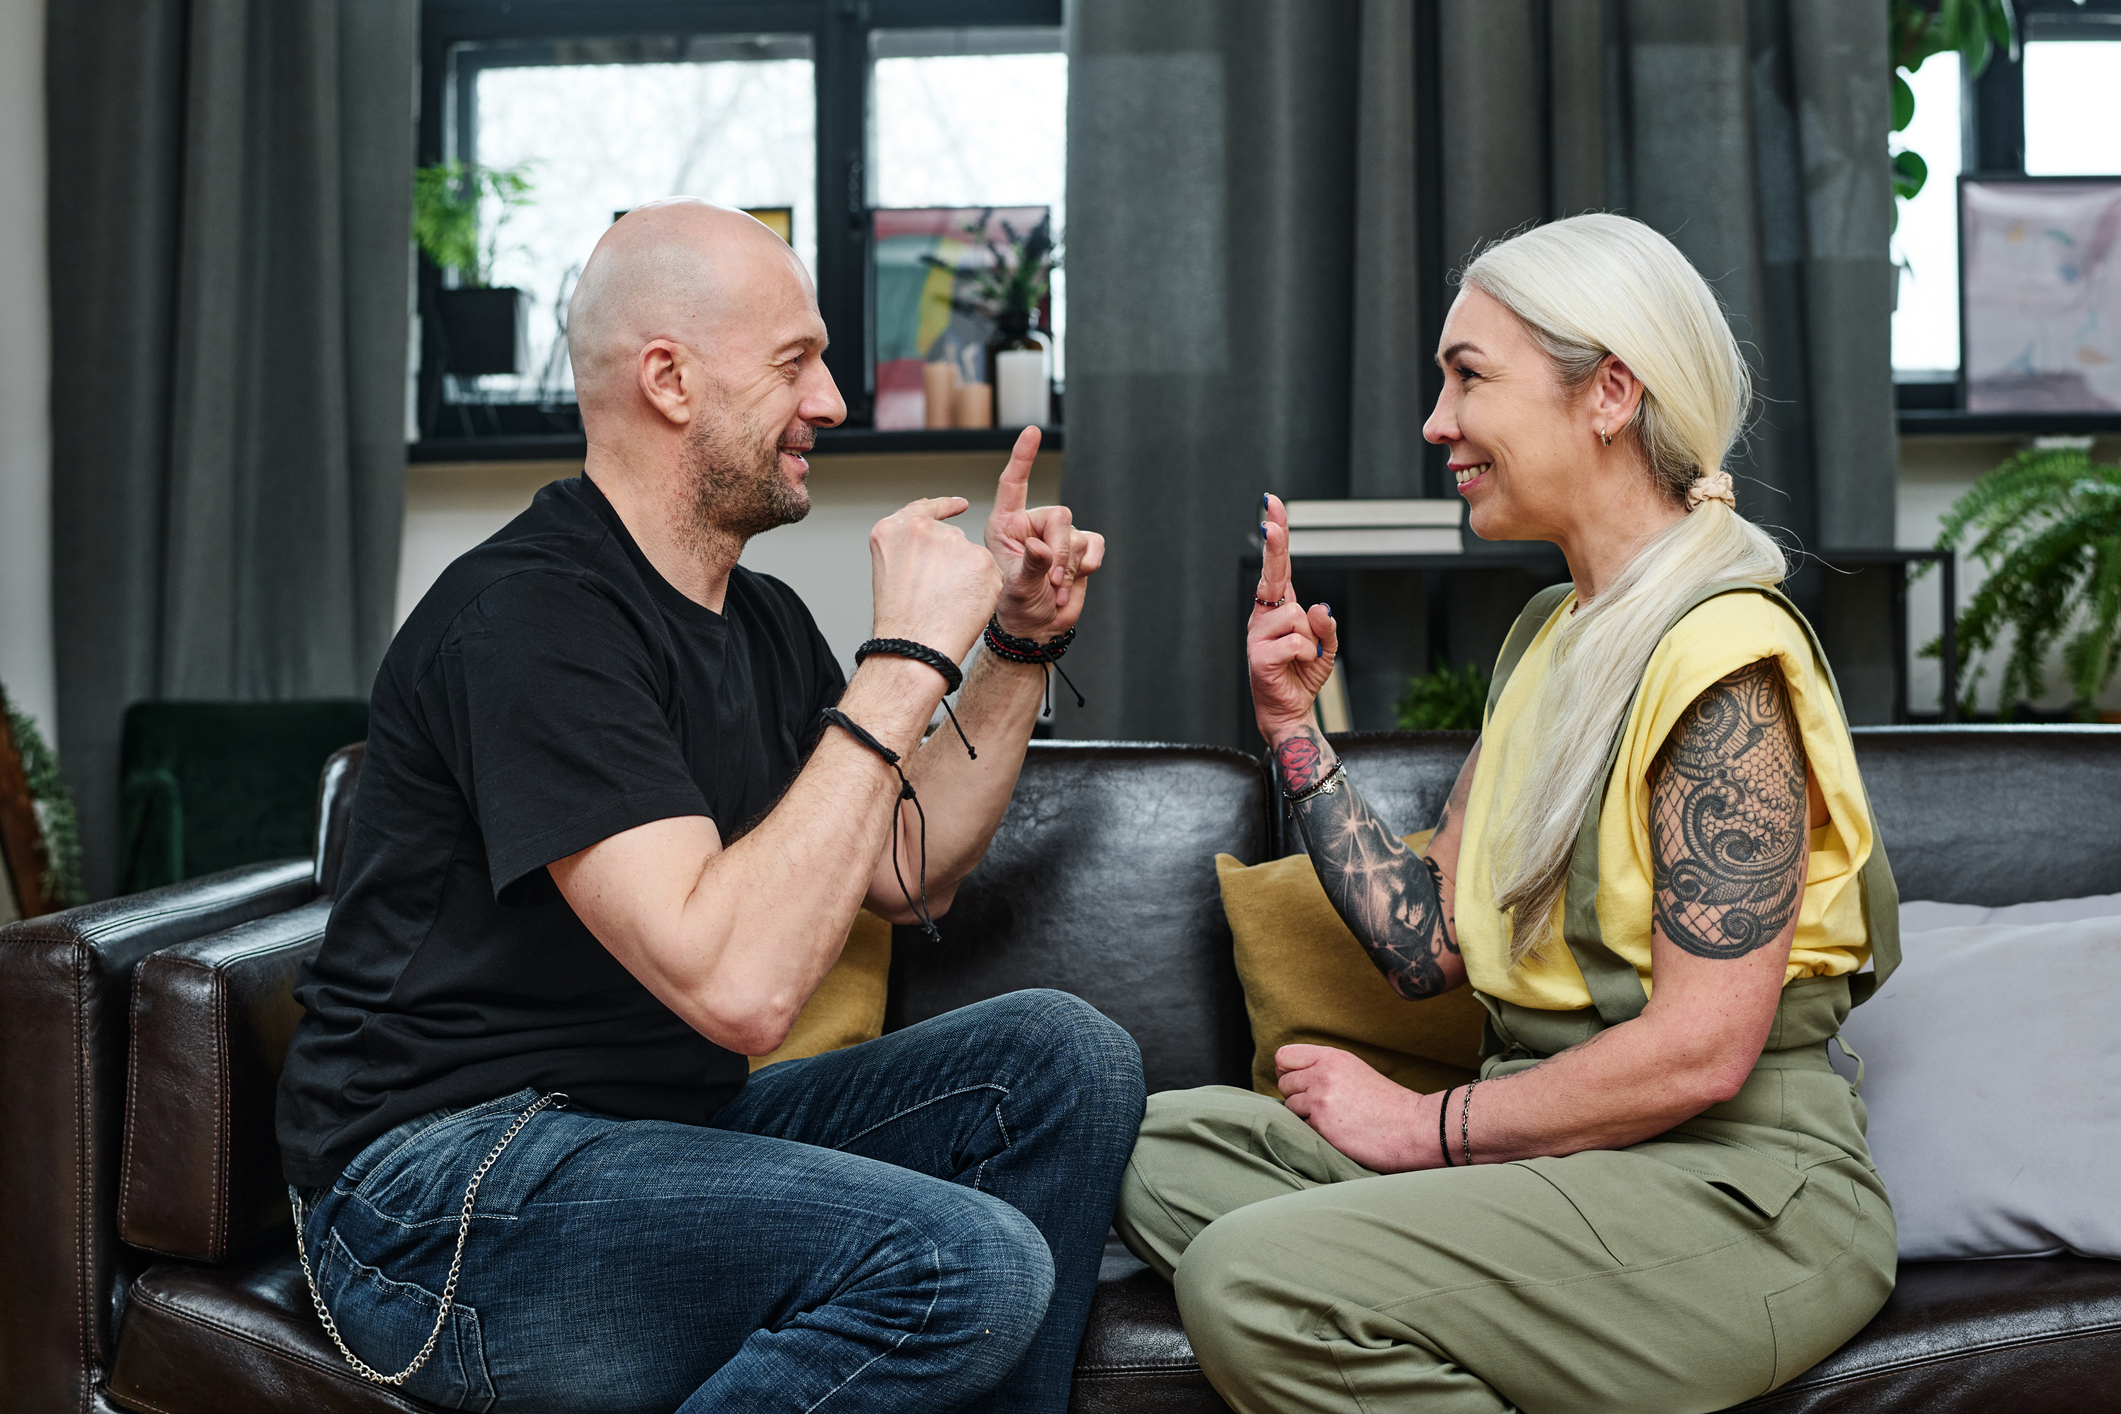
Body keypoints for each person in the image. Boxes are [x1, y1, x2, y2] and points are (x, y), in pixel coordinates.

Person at [275, 199, 1144, 1414]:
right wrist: (900, 662)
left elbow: (908, 869)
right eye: (797, 362)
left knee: (1062, 1058)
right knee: (961, 1264)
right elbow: (740, 989)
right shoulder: (531, 619)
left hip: (652, 1131)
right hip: (436, 1200)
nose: (833, 402)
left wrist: (1010, 644)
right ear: (669, 380)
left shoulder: (764, 621)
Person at [1115, 213, 1901, 1413]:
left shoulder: (1724, 659)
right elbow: (1427, 947)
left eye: (1468, 376)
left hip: (1729, 1189)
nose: (1437, 424)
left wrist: (1424, 1128)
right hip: (1556, 1160)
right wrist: (1291, 727)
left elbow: (1703, 1046)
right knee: (1144, 1142)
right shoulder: (1549, 637)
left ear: (1611, 394)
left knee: (1248, 1279)